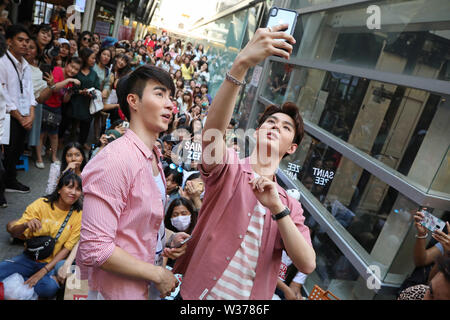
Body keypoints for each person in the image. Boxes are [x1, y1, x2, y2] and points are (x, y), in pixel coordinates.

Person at [173, 24, 315, 300]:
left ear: (292, 148)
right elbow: (212, 134)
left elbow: (307, 263)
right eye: (270, 122)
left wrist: (277, 208)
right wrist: (240, 65)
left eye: (285, 128)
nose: (275, 126)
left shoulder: (289, 204)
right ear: (257, 131)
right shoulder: (229, 168)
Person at [76, 65, 190, 300]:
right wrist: (158, 274)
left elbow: (137, 223)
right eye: (159, 94)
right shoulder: (115, 160)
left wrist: (168, 238)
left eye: (171, 97)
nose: (170, 104)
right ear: (133, 101)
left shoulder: (154, 156)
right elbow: (95, 249)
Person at [1, 171, 83, 299]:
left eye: (78, 189)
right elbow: (14, 232)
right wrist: (25, 225)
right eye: (69, 187)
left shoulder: (78, 215)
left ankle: (26, 280)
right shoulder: (41, 204)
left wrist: (42, 272)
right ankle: (25, 280)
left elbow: (66, 249)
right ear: (59, 189)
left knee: (49, 288)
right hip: (29, 258)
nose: (73, 192)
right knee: (1, 270)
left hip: (50, 264)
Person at [0, 24, 36, 194]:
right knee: (7, 151)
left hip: (24, 114)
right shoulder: (2, 62)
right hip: (8, 116)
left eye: (27, 41)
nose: (24, 44)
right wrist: (20, 117)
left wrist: (31, 114)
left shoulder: (26, 65)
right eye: (20, 40)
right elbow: (3, 95)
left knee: (17, 150)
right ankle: (5, 182)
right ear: (9, 41)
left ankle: (10, 180)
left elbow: (30, 92)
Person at [35, 56, 82, 167]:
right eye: (72, 67)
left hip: (57, 108)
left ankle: (54, 156)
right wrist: (69, 80)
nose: (73, 70)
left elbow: (65, 100)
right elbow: (54, 88)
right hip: (45, 105)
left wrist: (70, 92)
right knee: (41, 134)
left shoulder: (71, 82)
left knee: (54, 135)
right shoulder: (57, 70)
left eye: (76, 69)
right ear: (66, 64)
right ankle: (39, 159)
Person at [69, 47, 100, 150]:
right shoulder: (77, 71)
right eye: (92, 58)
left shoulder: (93, 74)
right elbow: (70, 88)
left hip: (87, 103)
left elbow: (97, 88)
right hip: (75, 102)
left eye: (95, 58)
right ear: (86, 58)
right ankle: (68, 142)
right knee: (72, 123)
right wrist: (80, 91)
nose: (94, 61)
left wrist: (92, 93)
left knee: (86, 124)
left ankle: (81, 144)